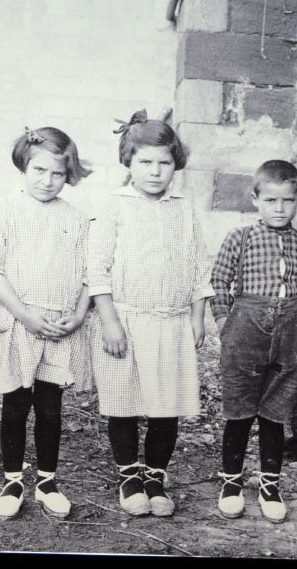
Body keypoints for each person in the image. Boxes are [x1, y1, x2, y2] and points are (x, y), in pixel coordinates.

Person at [88, 110, 214, 518]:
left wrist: (197, 316)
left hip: (172, 321)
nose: (155, 171)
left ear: (176, 164)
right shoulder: (114, 206)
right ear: (128, 161)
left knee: (166, 403)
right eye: (145, 162)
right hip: (125, 319)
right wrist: (109, 321)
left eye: (164, 163)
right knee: (123, 400)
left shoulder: (183, 208)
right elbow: (97, 268)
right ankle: (129, 476)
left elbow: (198, 266)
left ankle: (156, 476)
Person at [0, 127, 93, 519]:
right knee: (15, 405)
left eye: (57, 174)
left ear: (68, 174)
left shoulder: (77, 219)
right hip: (17, 323)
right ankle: (12, 479)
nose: (47, 181)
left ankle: (47, 480)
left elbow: (89, 273)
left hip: (59, 327)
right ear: (23, 166)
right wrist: (26, 315)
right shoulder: (1, 210)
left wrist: (77, 315)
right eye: (39, 170)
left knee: (50, 409)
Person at [210, 160, 297, 523]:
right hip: (245, 328)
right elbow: (219, 282)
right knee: (239, 410)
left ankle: (270, 484)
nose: (279, 208)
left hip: (292, 332)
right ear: (254, 198)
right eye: (270, 200)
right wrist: (226, 322)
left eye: (287, 201)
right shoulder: (239, 238)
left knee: (276, 412)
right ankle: (231, 483)